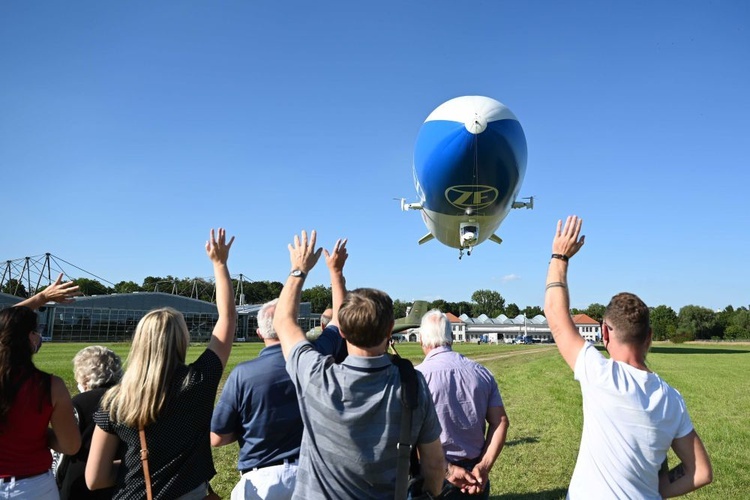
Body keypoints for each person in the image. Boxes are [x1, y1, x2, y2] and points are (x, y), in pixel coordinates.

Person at [273, 230, 475, 499]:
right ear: (390, 329)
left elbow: (283, 321)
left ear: (341, 330)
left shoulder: (316, 376)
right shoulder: (412, 384)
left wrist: (299, 270)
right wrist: (431, 493)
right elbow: (435, 464)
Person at [544, 216, 713, 499]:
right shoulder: (672, 399)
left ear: (604, 334)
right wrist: (656, 490)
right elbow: (701, 471)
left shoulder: (598, 374)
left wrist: (559, 256)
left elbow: (554, 314)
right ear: (649, 337)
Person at [86, 228, 237, 499]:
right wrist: (220, 264)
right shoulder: (198, 381)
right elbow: (227, 320)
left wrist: (140, 465)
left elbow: (95, 479)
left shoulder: (114, 401)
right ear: (182, 340)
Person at [210, 239, 349, 500]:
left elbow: (217, 438)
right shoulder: (314, 357)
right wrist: (336, 272)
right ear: (291, 323)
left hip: (261, 481)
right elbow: (340, 321)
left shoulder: (243, 374)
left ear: (259, 331)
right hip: (313, 475)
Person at [1, 276, 82, 499]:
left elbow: (4, 323)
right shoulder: (51, 386)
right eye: (36, 331)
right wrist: (36, 433)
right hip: (32, 486)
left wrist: (42, 298)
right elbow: (70, 445)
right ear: (29, 337)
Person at [415, 310, 509, 498]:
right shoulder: (482, 373)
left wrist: (448, 470)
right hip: (476, 475)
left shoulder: (418, 378)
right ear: (451, 338)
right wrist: (483, 466)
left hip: (435, 474)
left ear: (422, 340)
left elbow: (411, 433)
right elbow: (500, 422)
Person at [57, 346, 123, 499]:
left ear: (85, 378)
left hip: (78, 482)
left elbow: (63, 453)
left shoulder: (79, 402)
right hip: (116, 481)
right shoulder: (125, 400)